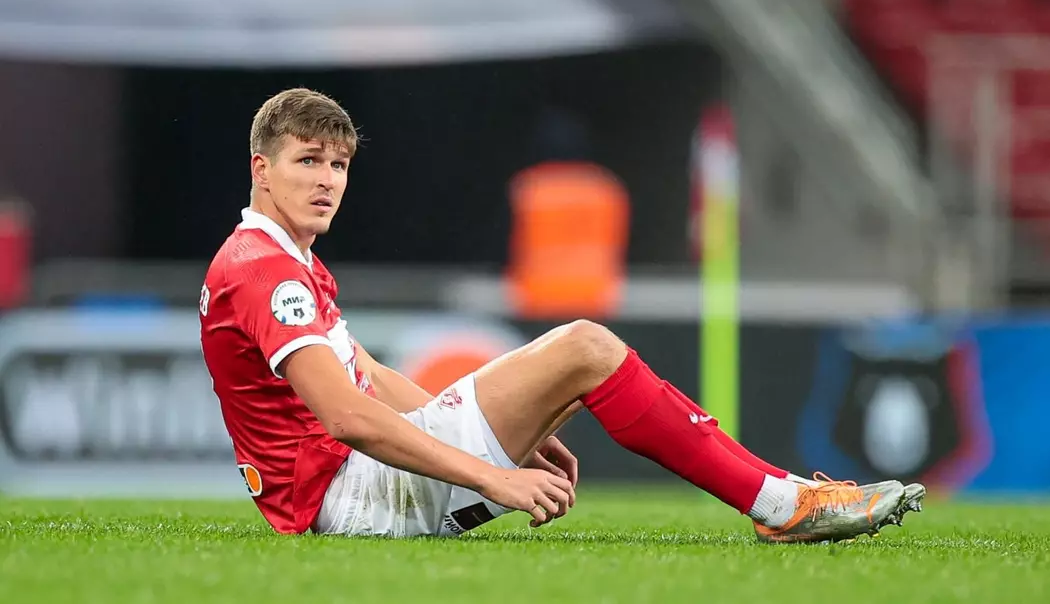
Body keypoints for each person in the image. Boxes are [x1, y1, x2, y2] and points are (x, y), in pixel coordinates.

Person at [199, 88, 925, 543]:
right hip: (352, 498)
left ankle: (782, 498)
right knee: (585, 347)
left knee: (584, 361)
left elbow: (365, 375)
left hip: (344, 489)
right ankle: (781, 503)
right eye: (308, 162)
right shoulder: (267, 271)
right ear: (262, 169)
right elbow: (346, 416)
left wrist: (494, 433)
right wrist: (490, 476)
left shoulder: (279, 257)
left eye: (338, 165)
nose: (327, 181)